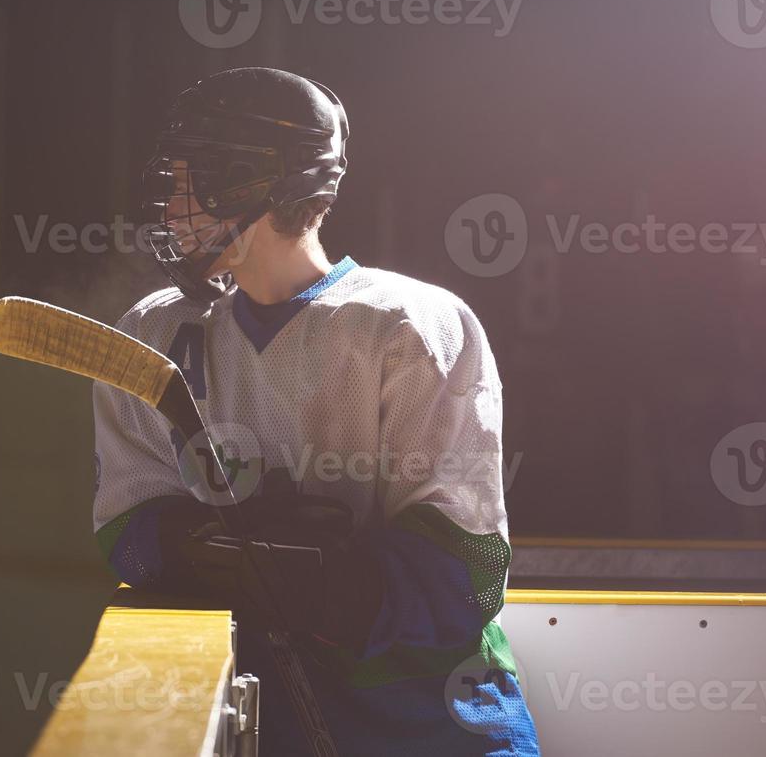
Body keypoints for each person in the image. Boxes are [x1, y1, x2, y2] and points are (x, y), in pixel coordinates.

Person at [91, 66, 539, 756]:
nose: (171, 201)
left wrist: (313, 577)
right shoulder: (151, 335)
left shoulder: (412, 325)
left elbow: (463, 576)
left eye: (190, 177)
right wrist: (197, 547)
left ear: (253, 185)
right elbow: (128, 525)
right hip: (268, 725)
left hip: (431, 726)